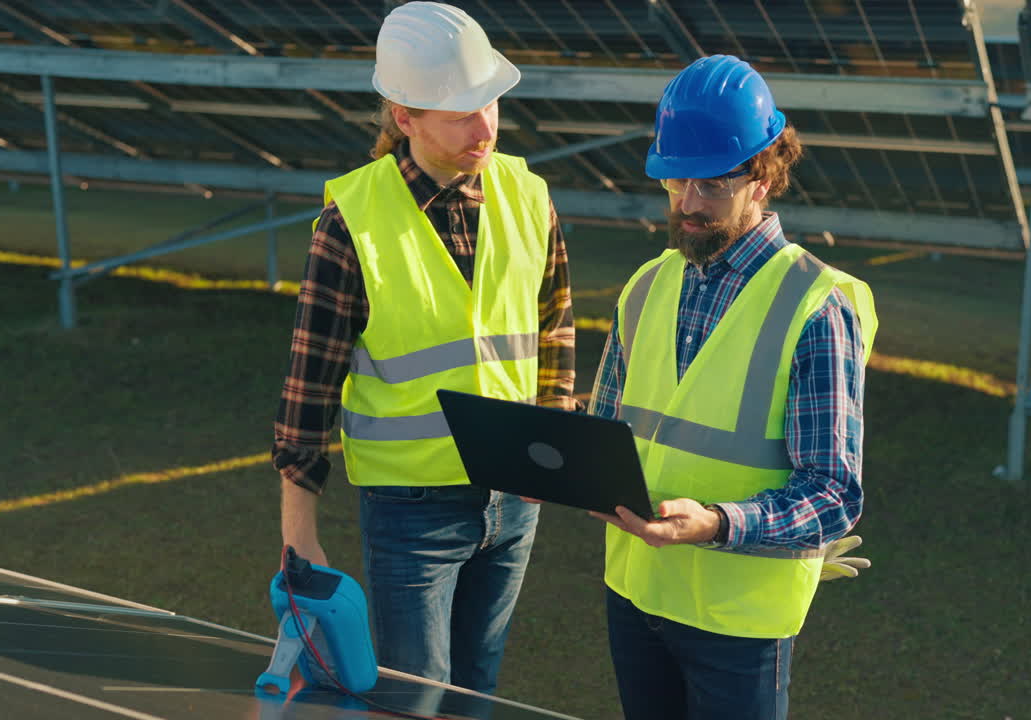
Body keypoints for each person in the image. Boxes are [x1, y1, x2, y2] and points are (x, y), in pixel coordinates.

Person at [271, 1, 576, 695]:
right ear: (403, 117)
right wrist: (299, 534)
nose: (486, 125)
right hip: (412, 508)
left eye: (491, 102)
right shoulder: (351, 222)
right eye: (461, 112)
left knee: (475, 688)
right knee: (418, 695)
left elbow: (555, 325)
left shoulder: (530, 195)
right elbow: (308, 388)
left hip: (513, 502)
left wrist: (549, 446)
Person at [587, 54, 878, 720]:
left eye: (712, 184)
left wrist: (717, 525)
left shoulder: (814, 306)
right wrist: (552, 458)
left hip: (739, 621)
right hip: (635, 596)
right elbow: (606, 430)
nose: (688, 203)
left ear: (765, 176)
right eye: (675, 180)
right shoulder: (647, 286)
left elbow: (833, 493)